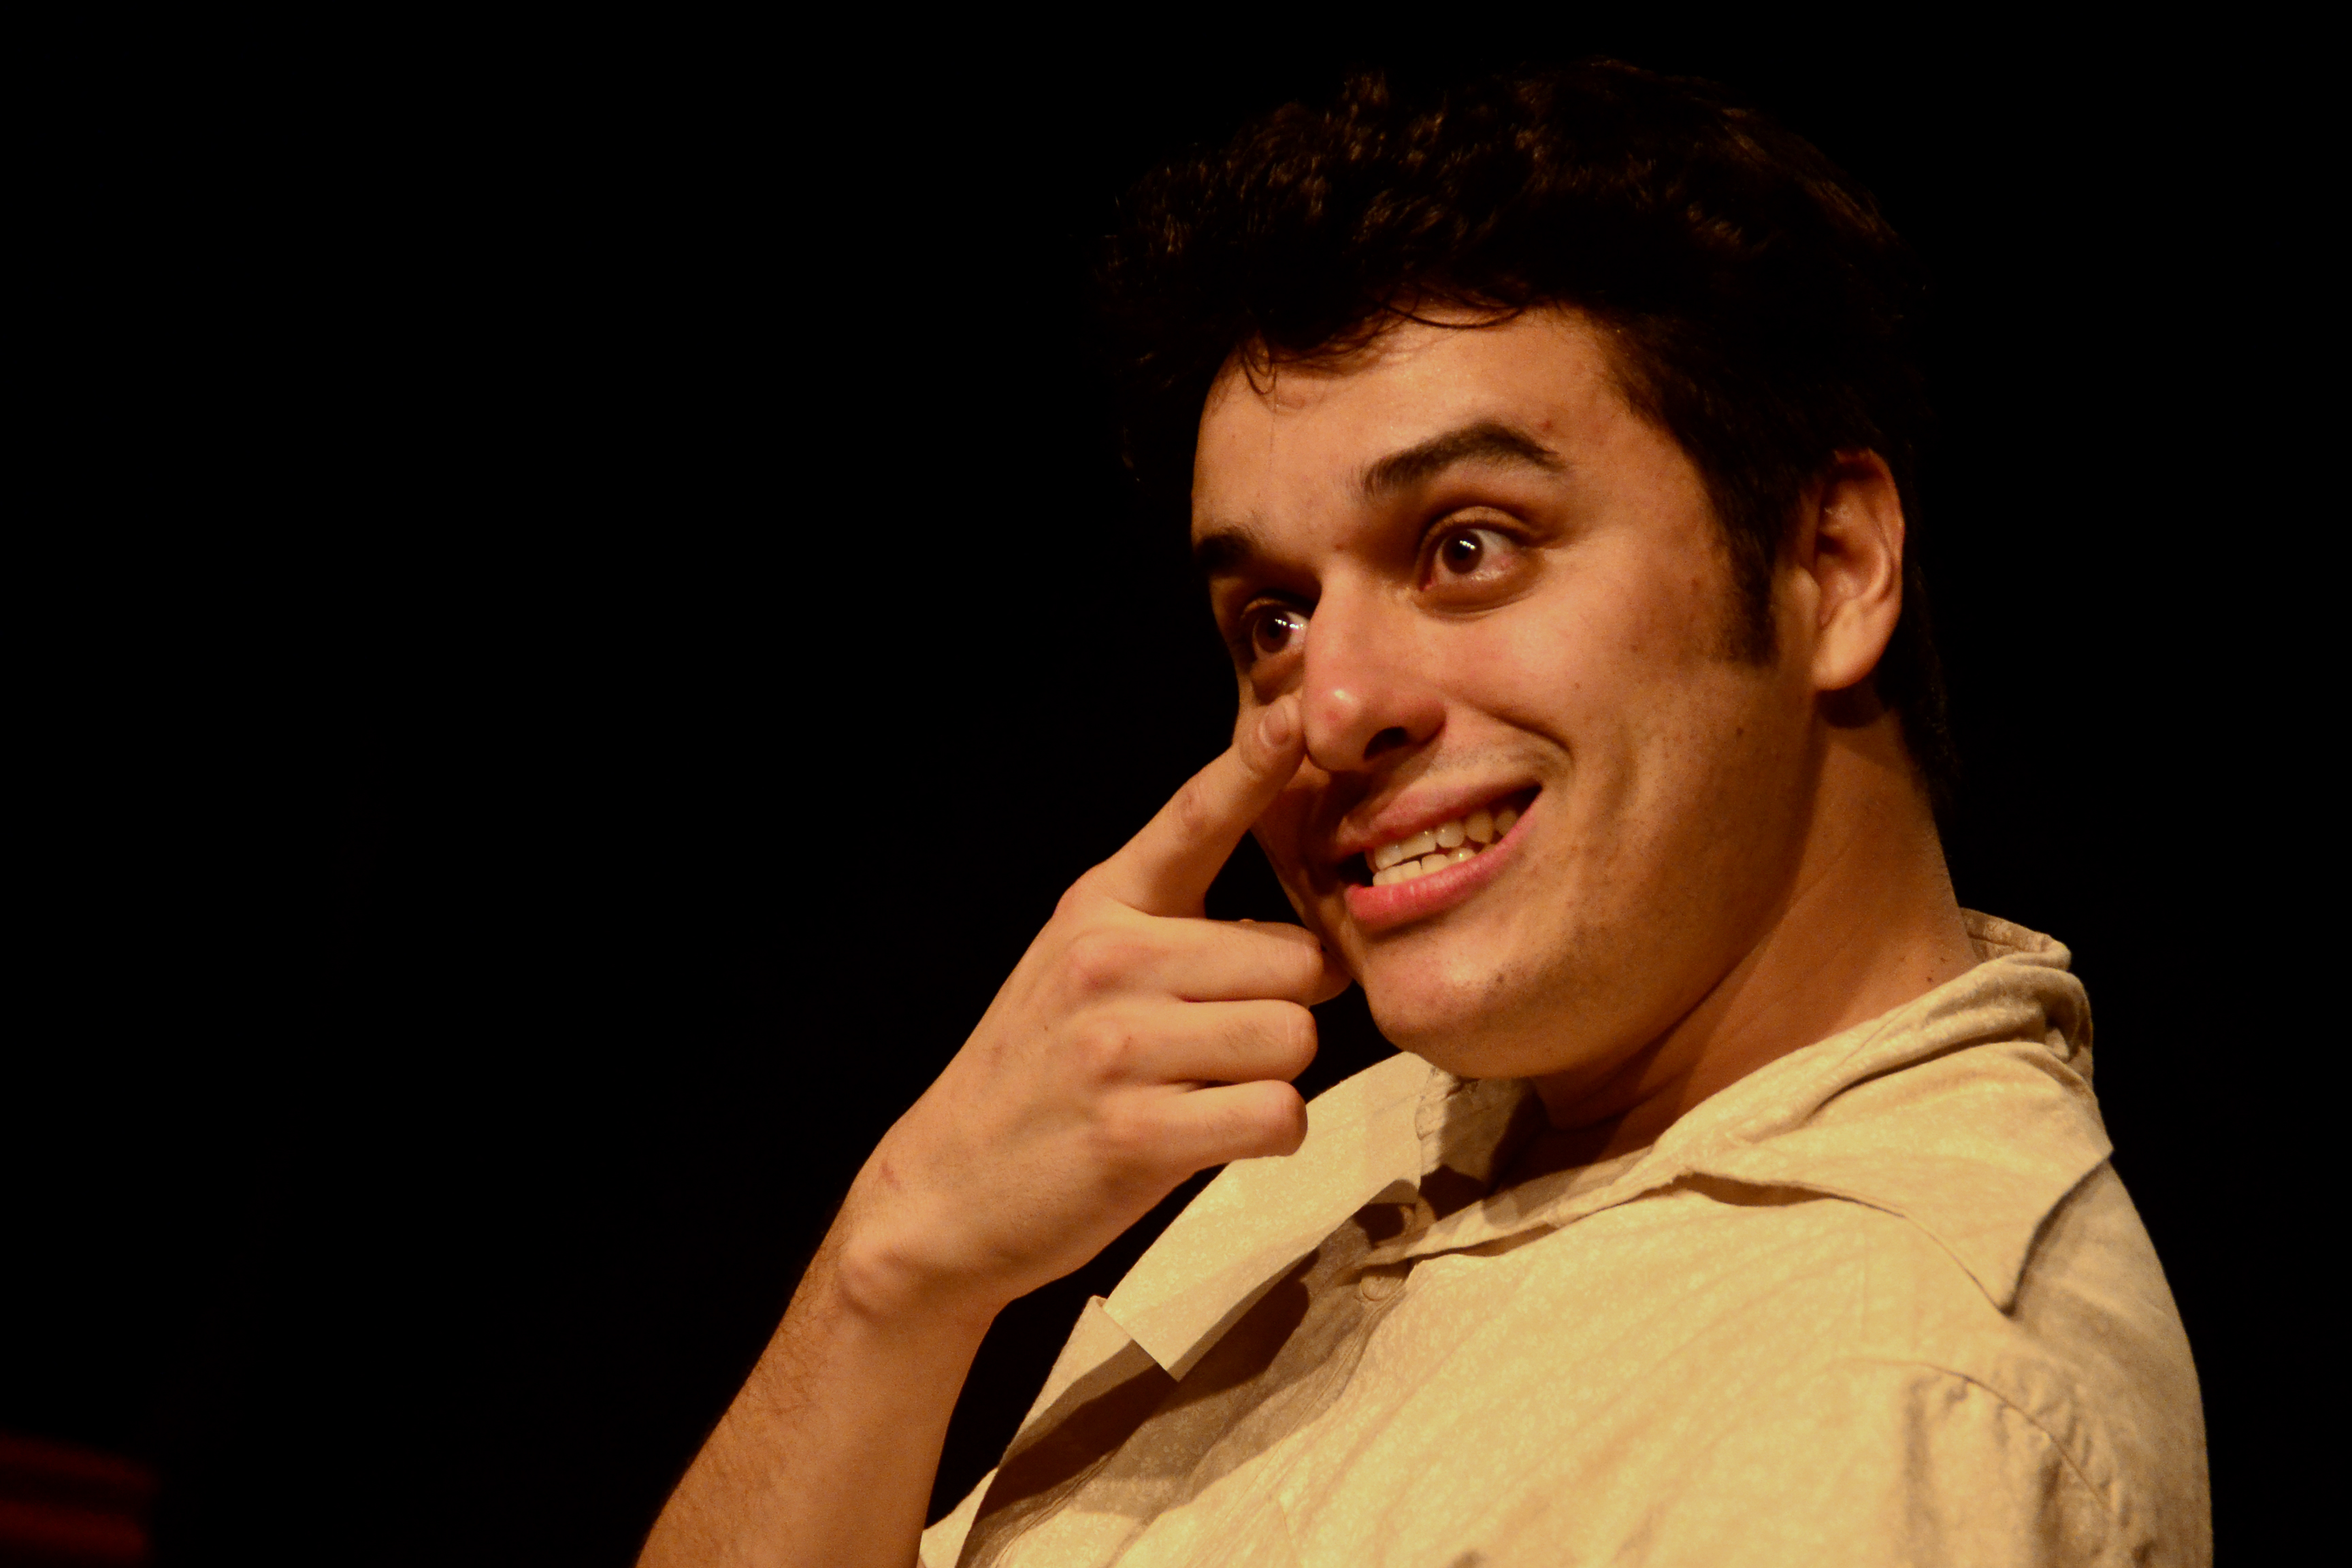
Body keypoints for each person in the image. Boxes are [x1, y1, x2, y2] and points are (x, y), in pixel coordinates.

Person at [640, 63, 2208, 1567]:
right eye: (1272, 619)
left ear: (1833, 565)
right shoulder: (1359, 1147)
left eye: (1468, 547)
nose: (1328, 709)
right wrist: (898, 1268)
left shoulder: (1877, 1405)